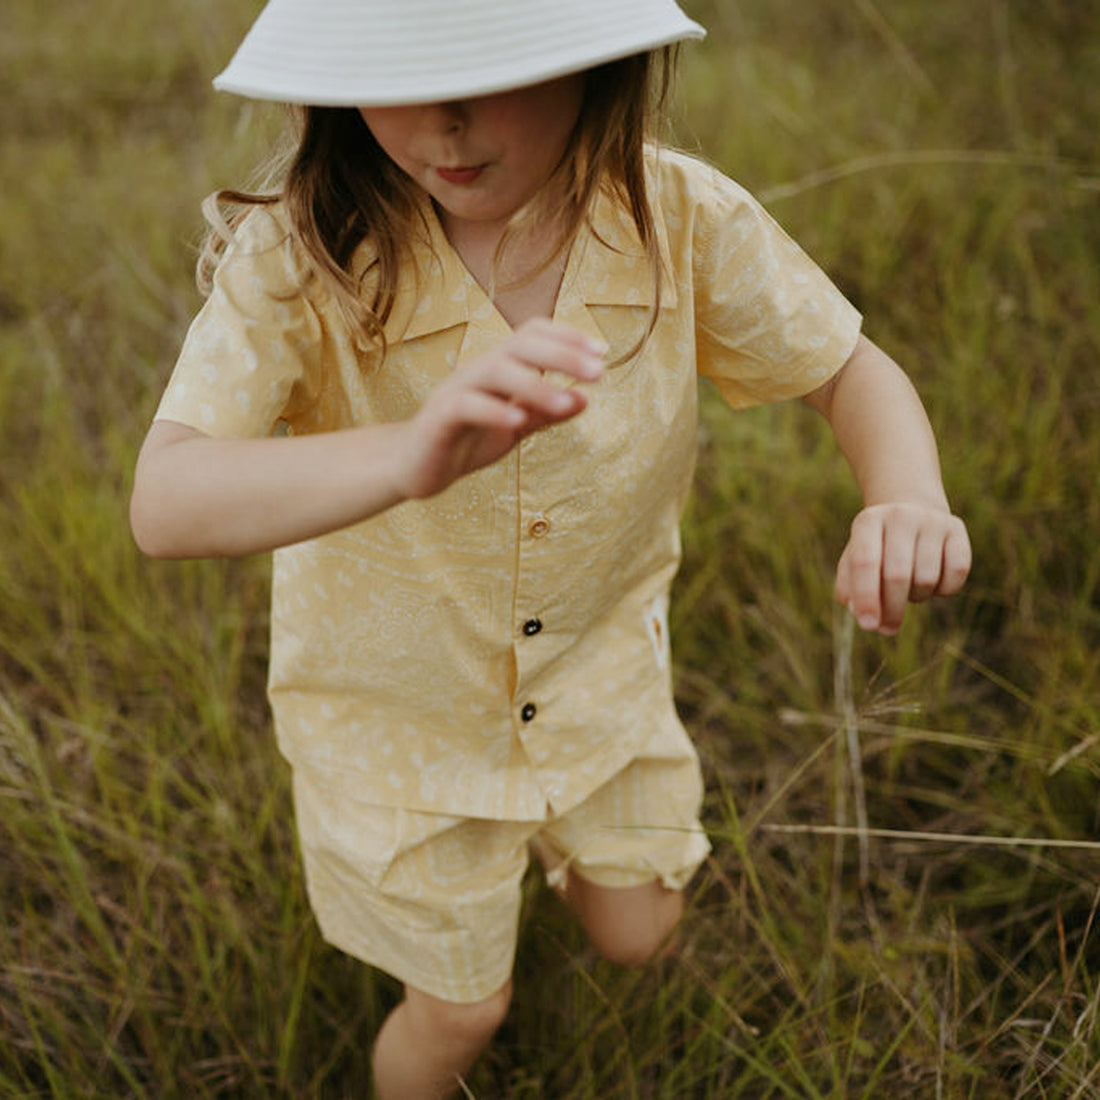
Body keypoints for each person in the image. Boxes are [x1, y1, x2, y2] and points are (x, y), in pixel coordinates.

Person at [130, 1, 971, 1095]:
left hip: (594, 688)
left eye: (493, 67)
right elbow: (166, 498)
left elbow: (846, 370)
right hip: (400, 729)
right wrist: (408, 454)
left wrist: (900, 493)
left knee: (640, 934)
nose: (447, 124)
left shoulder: (679, 217)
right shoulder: (303, 250)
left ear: (597, 63)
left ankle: (549, 846)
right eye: (399, 72)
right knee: (462, 1008)